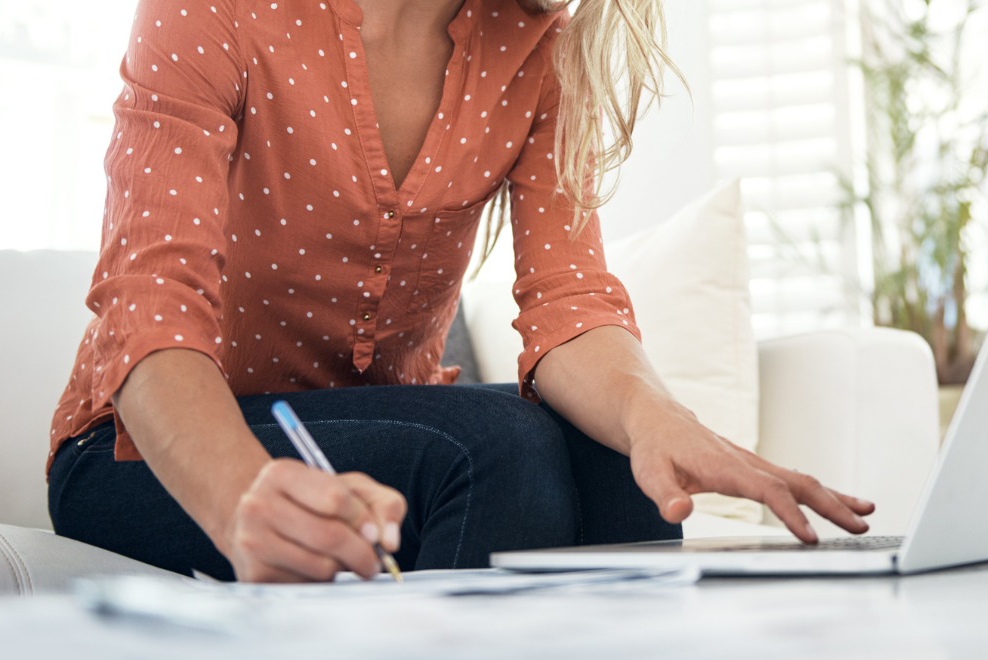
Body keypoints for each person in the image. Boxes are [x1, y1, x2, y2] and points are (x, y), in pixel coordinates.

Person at [45, 0, 875, 583]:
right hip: (142, 455)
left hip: (388, 439)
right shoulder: (219, 8)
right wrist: (238, 501)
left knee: (625, 470)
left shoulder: (539, 47)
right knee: (494, 447)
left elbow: (569, 305)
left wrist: (662, 421)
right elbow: (148, 307)